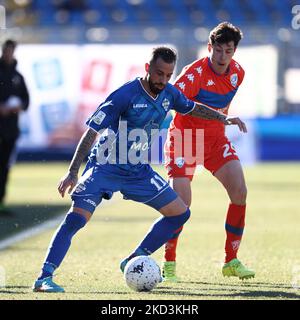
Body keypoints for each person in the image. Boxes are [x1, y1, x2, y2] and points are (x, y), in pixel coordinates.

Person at [33, 46, 245, 292]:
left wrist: (223, 118)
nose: (163, 80)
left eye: (168, 75)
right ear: (147, 68)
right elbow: (92, 130)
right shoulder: (124, 95)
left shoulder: (169, 93)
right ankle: (44, 278)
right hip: (105, 167)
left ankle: (133, 259)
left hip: (137, 172)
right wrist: (72, 172)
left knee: (180, 213)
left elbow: (192, 106)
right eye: (158, 74)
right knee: (76, 220)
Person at [162, 22, 255, 281]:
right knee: (181, 206)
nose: (223, 57)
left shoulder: (238, 73)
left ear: (234, 51)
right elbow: (174, 103)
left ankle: (231, 260)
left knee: (240, 192)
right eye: (218, 50)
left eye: (229, 51)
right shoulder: (194, 74)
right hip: (186, 139)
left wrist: (219, 121)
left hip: (215, 139)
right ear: (209, 47)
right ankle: (169, 264)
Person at [0, 39, 30, 213]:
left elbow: (26, 101)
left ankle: (1, 201)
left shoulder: (18, 77)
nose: (8, 54)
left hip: (10, 129)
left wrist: (18, 106)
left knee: (4, 166)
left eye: (11, 51)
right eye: (6, 51)